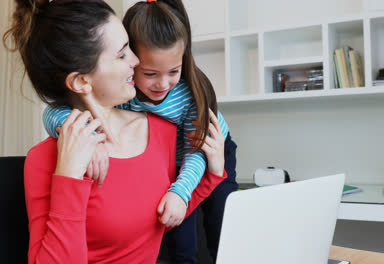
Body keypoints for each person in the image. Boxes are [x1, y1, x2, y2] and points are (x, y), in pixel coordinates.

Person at [3, 0, 227, 263]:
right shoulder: (45, 160)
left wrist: (211, 175)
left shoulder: (162, 131)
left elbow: (156, 223)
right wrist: (69, 175)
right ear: (81, 81)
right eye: (122, 54)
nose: (136, 60)